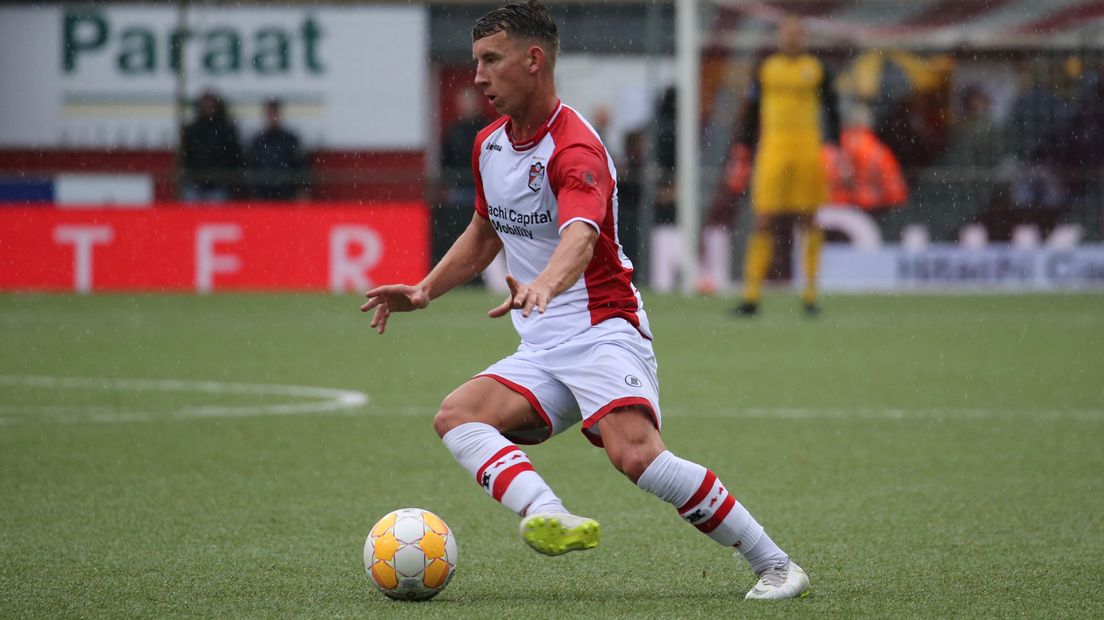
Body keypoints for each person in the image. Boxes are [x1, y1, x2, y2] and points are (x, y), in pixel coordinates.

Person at [361, 0, 809, 600]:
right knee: (457, 415)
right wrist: (424, 290)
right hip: (543, 343)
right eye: (476, 62)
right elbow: (485, 231)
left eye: (491, 60)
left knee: (637, 458)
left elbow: (582, 233)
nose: (478, 76)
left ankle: (777, 565)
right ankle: (547, 512)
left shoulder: (576, 149)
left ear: (534, 59)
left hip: (604, 330)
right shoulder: (489, 145)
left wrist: (545, 283)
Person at [733, 17, 841, 317]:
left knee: (809, 219)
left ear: (803, 38)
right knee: (764, 218)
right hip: (773, 150)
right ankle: (751, 297)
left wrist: (834, 144)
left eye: (796, 34)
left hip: (808, 150)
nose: (792, 39)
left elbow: (833, 109)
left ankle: (809, 296)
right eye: (787, 34)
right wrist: (744, 145)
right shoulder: (766, 68)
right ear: (780, 38)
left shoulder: (817, 69)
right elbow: (752, 110)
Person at [180, 90, 245, 203]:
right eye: (206, 104)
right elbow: (186, 158)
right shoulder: (192, 131)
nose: (208, 107)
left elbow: (234, 157)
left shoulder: (226, 130)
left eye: (211, 104)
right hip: (195, 183)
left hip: (219, 184)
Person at [246, 98, 308, 201]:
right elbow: (252, 166)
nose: (272, 117)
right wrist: (254, 190)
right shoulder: (258, 141)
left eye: (274, 113)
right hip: (263, 193)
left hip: (286, 193)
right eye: (270, 114)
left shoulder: (290, 140)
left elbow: (300, 165)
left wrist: (301, 189)